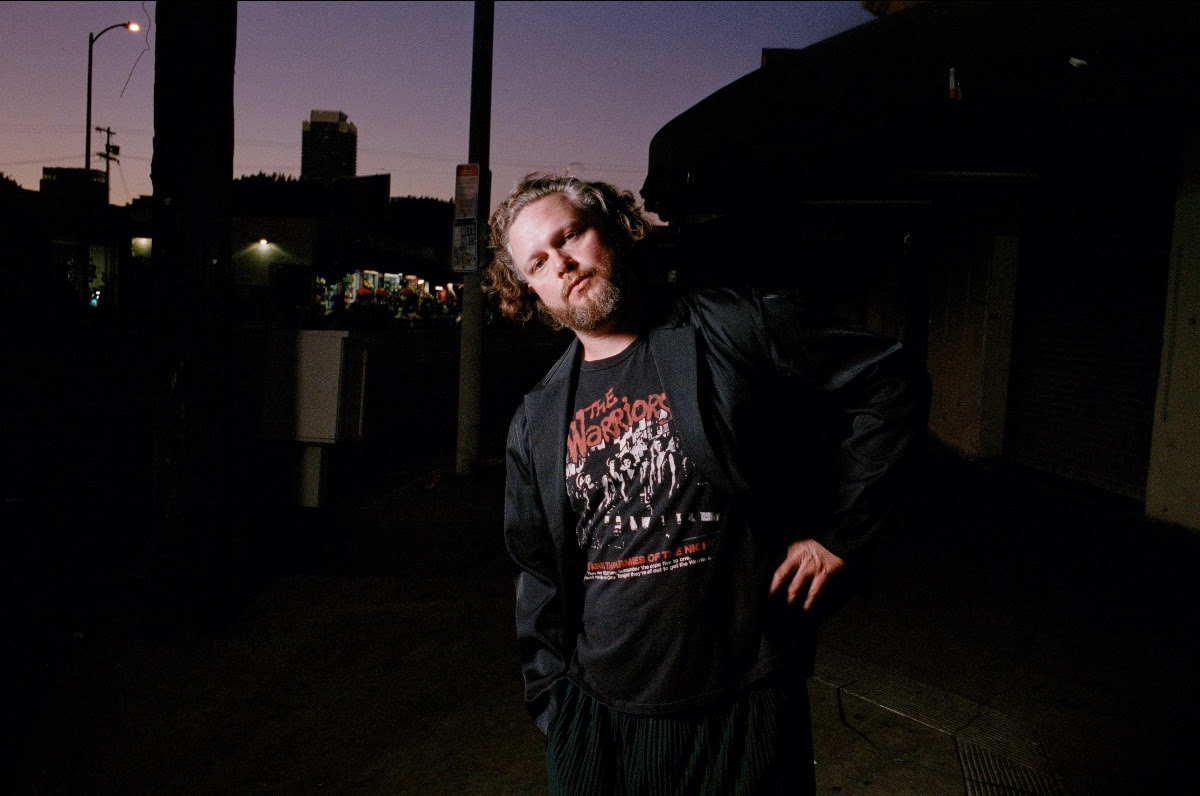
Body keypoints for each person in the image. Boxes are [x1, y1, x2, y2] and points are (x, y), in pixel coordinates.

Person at [483, 172, 928, 795]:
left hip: (741, 704)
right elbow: (537, 573)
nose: (561, 263)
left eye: (571, 235)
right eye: (538, 260)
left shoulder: (728, 326)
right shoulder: (536, 418)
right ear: (529, 289)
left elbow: (888, 383)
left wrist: (841, 534)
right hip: (598, 719)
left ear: (613, 230)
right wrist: (555, 707)